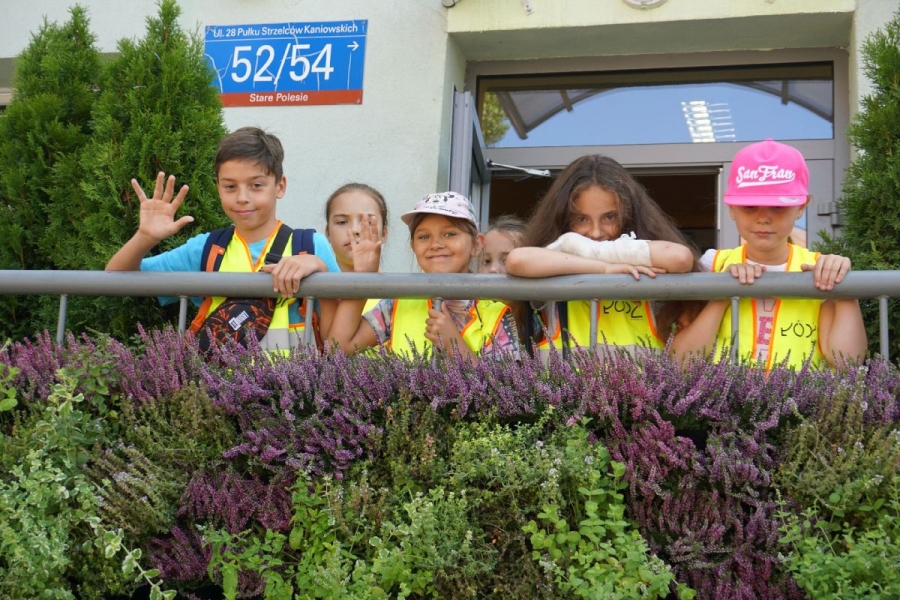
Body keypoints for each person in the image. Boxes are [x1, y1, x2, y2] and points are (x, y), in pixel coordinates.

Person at [106, 126, 340, 354]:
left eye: (256, 185)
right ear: (217, 187)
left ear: (280, 186)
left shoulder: (311, 247)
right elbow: (115, 279)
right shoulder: (205, 249)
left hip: (296, 381)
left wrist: (319, 268)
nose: (242, 197)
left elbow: (342, 338)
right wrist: (144, 237)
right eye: (230, 186)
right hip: (219, 381)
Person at [671, 139, 867, 370]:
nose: (763, 218)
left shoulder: (820, 269)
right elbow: (680, 363)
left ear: (801, 207)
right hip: (725, 395)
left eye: (778, 207)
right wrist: (722, 294)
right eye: (750, 206)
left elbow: (846, 362)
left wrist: (844, 289)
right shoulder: (712, 264)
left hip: (799, 394)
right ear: (731, 208)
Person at [505, 154, 698, 354]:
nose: (596, 232)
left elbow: (680, 258)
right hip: (565, 376)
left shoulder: (574, 249)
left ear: (629, 216)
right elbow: (517, 260)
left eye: (610, 217)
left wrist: (590, 251)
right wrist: (603, 267)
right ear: (562, 220)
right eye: (581, 219)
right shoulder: (554, 259)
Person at [327, 192, 520, 361]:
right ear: (413, 246)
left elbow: (503, 389)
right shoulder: (398, 303)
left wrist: (454, 345)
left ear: (477, 244)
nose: (436, 244)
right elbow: (338, 348)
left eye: (450, 234)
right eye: (424, 237)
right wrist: (362, 279)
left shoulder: (496, 314)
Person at [324, 183, 388, 273]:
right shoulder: (311, 279)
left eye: (368, 222)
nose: (354, 230)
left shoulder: (397, 282)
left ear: (384, 234)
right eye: (342, 222)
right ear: (328, 232)